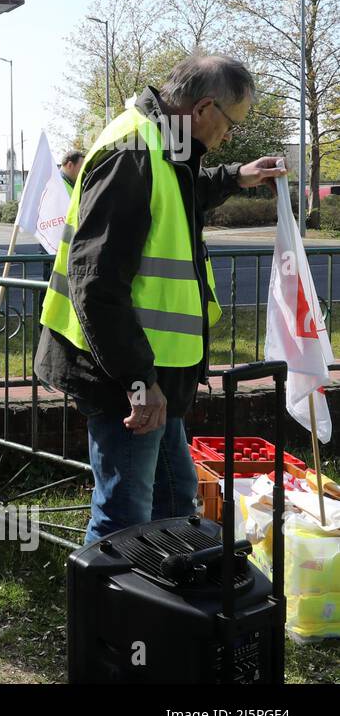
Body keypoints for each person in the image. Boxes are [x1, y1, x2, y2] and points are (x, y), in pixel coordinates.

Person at [35, 55, 286, 543]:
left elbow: (182, 189)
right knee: (123, 516)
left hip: (153, 372)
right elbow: (97, 284)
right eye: (232, 124)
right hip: (127, 375)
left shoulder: (163, 140)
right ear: (204, 108)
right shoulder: (133, 153)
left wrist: (237, 175)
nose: (230, 136)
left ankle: (168, 609)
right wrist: (138, 381)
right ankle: (106, 617)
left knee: (175, 499)